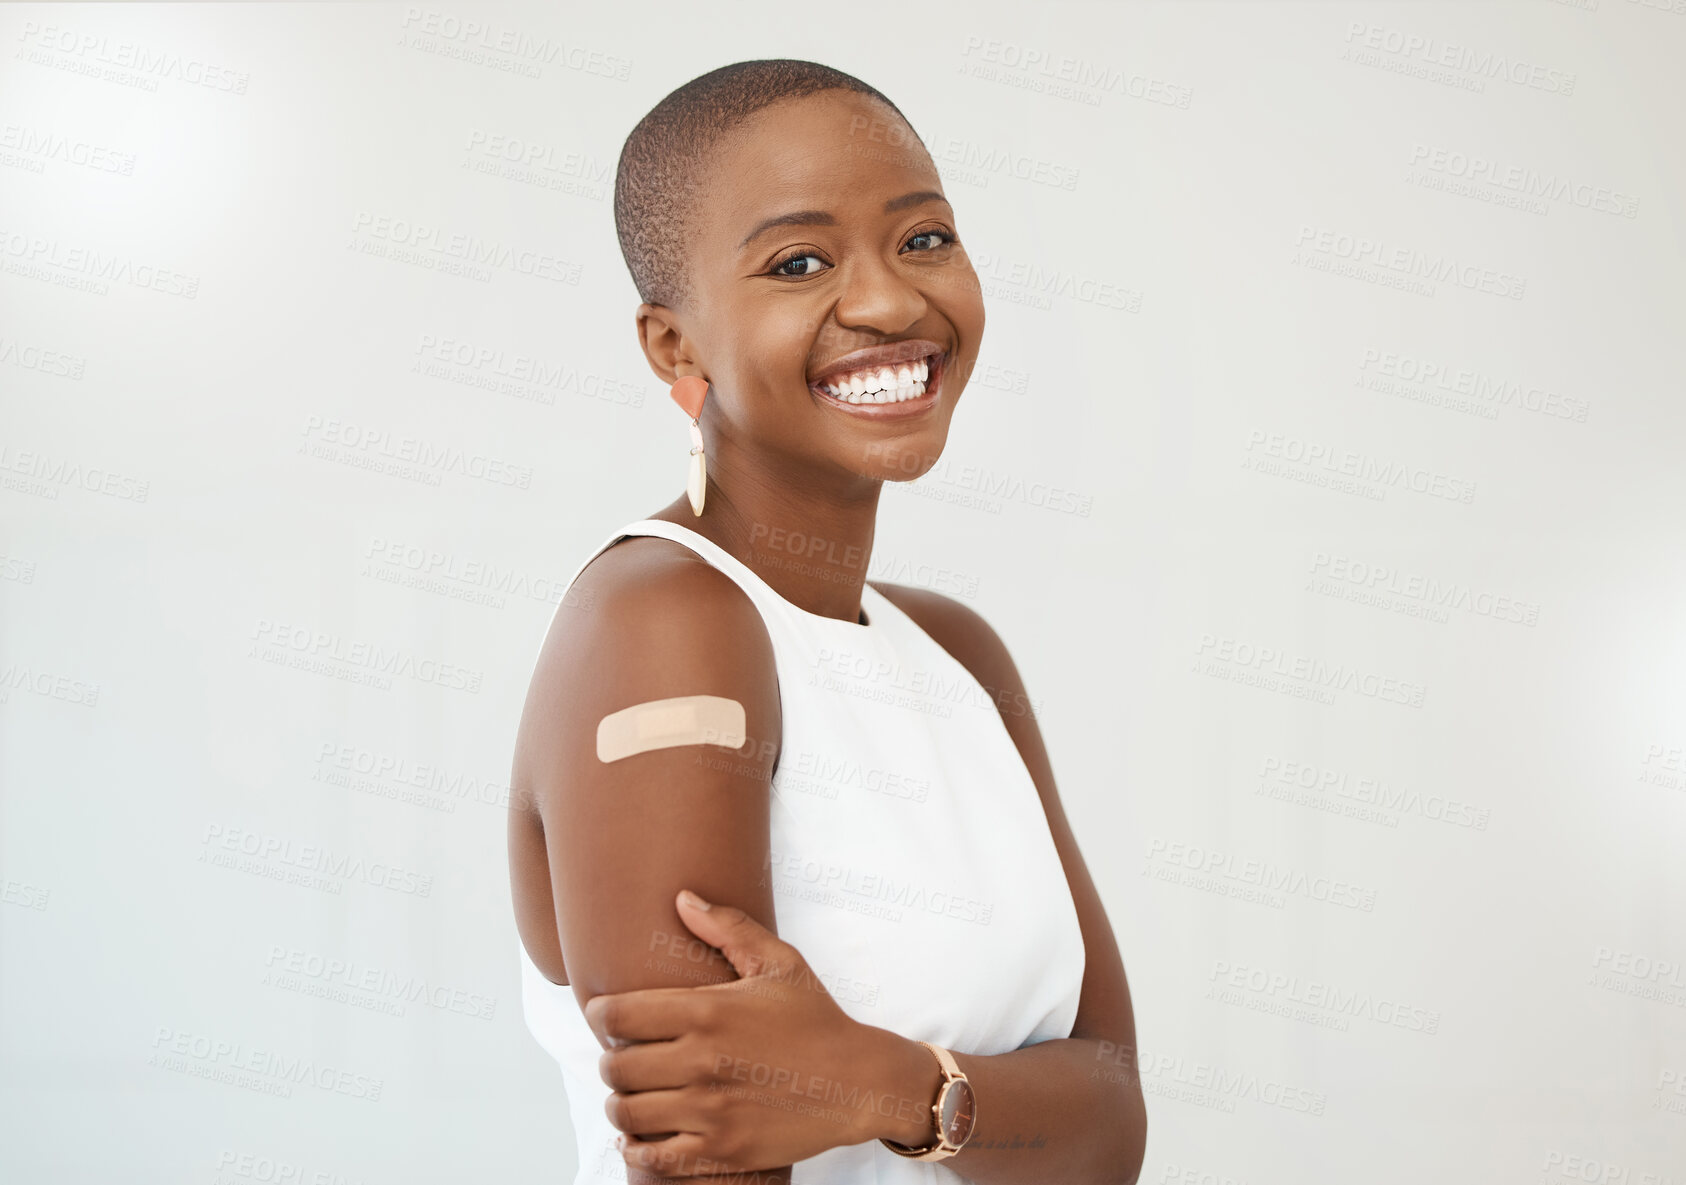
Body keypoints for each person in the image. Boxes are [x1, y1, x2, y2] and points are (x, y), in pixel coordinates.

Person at [507, 59, 1147, 1185]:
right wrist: (975, 1102)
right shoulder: (662, 623)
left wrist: (879, 1083)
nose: (894, 302)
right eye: (798, 262)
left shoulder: (958, 652)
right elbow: (710, 1151)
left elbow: (1109, 1130)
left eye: (924, 239)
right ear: (675, 347)